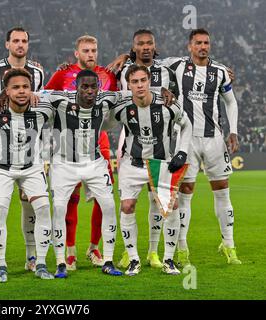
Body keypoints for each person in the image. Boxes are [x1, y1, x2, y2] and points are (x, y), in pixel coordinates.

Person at [40, 70, 133, 278]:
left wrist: (162, 91)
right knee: (59, 208)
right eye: (85, 87)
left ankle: (108, 260)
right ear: (76, 87)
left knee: (109, 206)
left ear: (98, 87)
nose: (90, 91)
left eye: (93, 87)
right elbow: (34, 93)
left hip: (95, 163)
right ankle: (61, 262)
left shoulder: (106, 99)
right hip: (64, 163)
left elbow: (132, 92)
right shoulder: (59, 99)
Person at [165, 29, 241, 266]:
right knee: (185, 194)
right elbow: (148, 61)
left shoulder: (219, 72)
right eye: (198, 43)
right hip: (185, 140)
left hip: (214, 140)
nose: (203, 47)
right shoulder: (176, 67)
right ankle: (182, 248)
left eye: (206, 43)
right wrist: (125, 57)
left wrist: (233, 131)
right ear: (189, 46)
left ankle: (229, 245)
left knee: (222, 190)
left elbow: (230, 101)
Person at [107, 64, 191, 275]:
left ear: (149, 81)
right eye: (134, 82)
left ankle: (169, 260)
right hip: (131, 163)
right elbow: (104, 123)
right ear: (128, 85)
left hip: (161, 162)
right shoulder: (121, 107)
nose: (139, 85)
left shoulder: (168, 104)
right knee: (127, 207)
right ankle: (134, 259)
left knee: (171, 208)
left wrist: (182, 152)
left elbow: (187, 124)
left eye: (143, 80)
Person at [44, 35, 117, 270]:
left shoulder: (107, 75)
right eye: (85, 50)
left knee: (103, 200)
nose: (90, 54)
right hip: (66, 147)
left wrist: (125, 58)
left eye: (94, 50)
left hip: (99, 145)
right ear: (76, 53)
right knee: (69, 201)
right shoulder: (62, 74)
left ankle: (95, 248)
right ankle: (70, 251)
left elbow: (115, 104)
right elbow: (44, 100)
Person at [0, 27, 45, 274]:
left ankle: (31, 256)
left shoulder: (37, 70)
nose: (20, 44)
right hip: (0, 144)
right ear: (7, 44)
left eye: (24, 41)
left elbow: (41, 98)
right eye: (15, 41)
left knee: (30, 203)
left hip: (29, 145)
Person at [116, 29, 179, 270]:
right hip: (131, 136)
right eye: (140, 44)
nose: (145, 47)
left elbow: (177, 104)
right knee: (128, 204)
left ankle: (155, 253)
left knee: (161, 203)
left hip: (161, 143)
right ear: (133, 48)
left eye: (149, 43)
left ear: (155, 45)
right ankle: (130, 254)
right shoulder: (123, 70)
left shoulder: (166, 71)